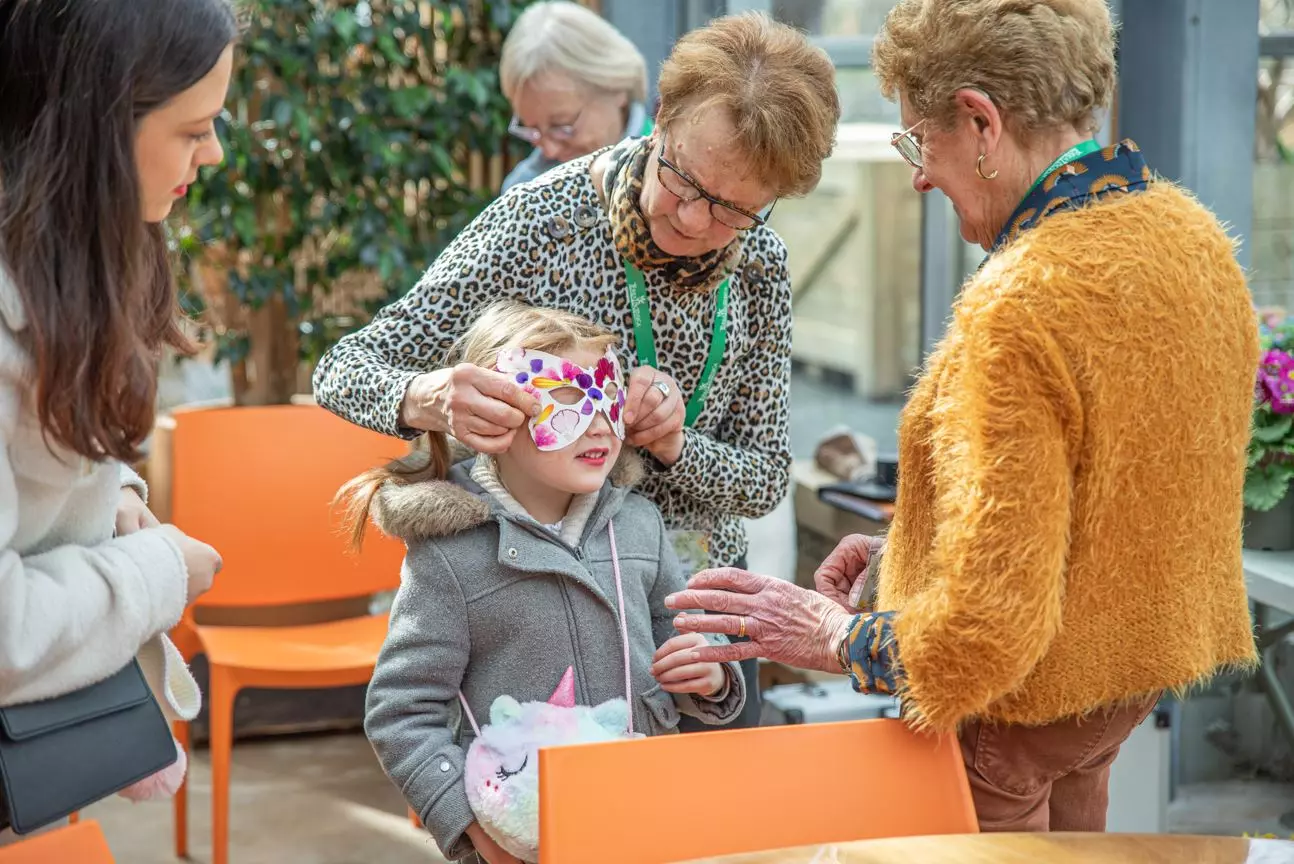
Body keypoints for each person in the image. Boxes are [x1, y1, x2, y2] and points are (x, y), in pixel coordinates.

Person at [663, 0, 1259, 834]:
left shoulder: (1023, 306)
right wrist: (907, 555)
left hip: (1016, 715)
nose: (917, 174)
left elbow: (983, 636)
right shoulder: (1191, 240)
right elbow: (1115, 492)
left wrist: (836, 636)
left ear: (981, 122)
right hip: (1118, 685)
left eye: (918, 139)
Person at [313, 11, 841, 732]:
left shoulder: (759, 267)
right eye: (683, 180)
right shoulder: (543, 224)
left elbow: (764, 480)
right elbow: (343, 368)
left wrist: (675, 445)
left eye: (732, 210)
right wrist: (426, 395)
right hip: (542, 612)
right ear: (660, 115)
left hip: (697, 623)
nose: (693, 221)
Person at [351, 302, 745, 864]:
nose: (598, 425)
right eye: (566, 401)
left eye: (607, 398)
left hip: (642, 819)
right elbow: (401, 711)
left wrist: (711, 676)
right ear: (493, 421)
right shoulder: (449, 557)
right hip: (522, 837)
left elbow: (684, 642)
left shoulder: (640, 525)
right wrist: (473, 830)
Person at [0, 0, 232, 835]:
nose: (214, 151)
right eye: (193, 129)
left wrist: (116, 497)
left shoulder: (63, 264)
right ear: (96, 125)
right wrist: (157, 572)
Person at [499, 1, 652, 192]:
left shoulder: (670, 174)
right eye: (532, 130)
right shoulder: (525, 189)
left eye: (562, 126)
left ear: (617, 87)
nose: (550, 150)